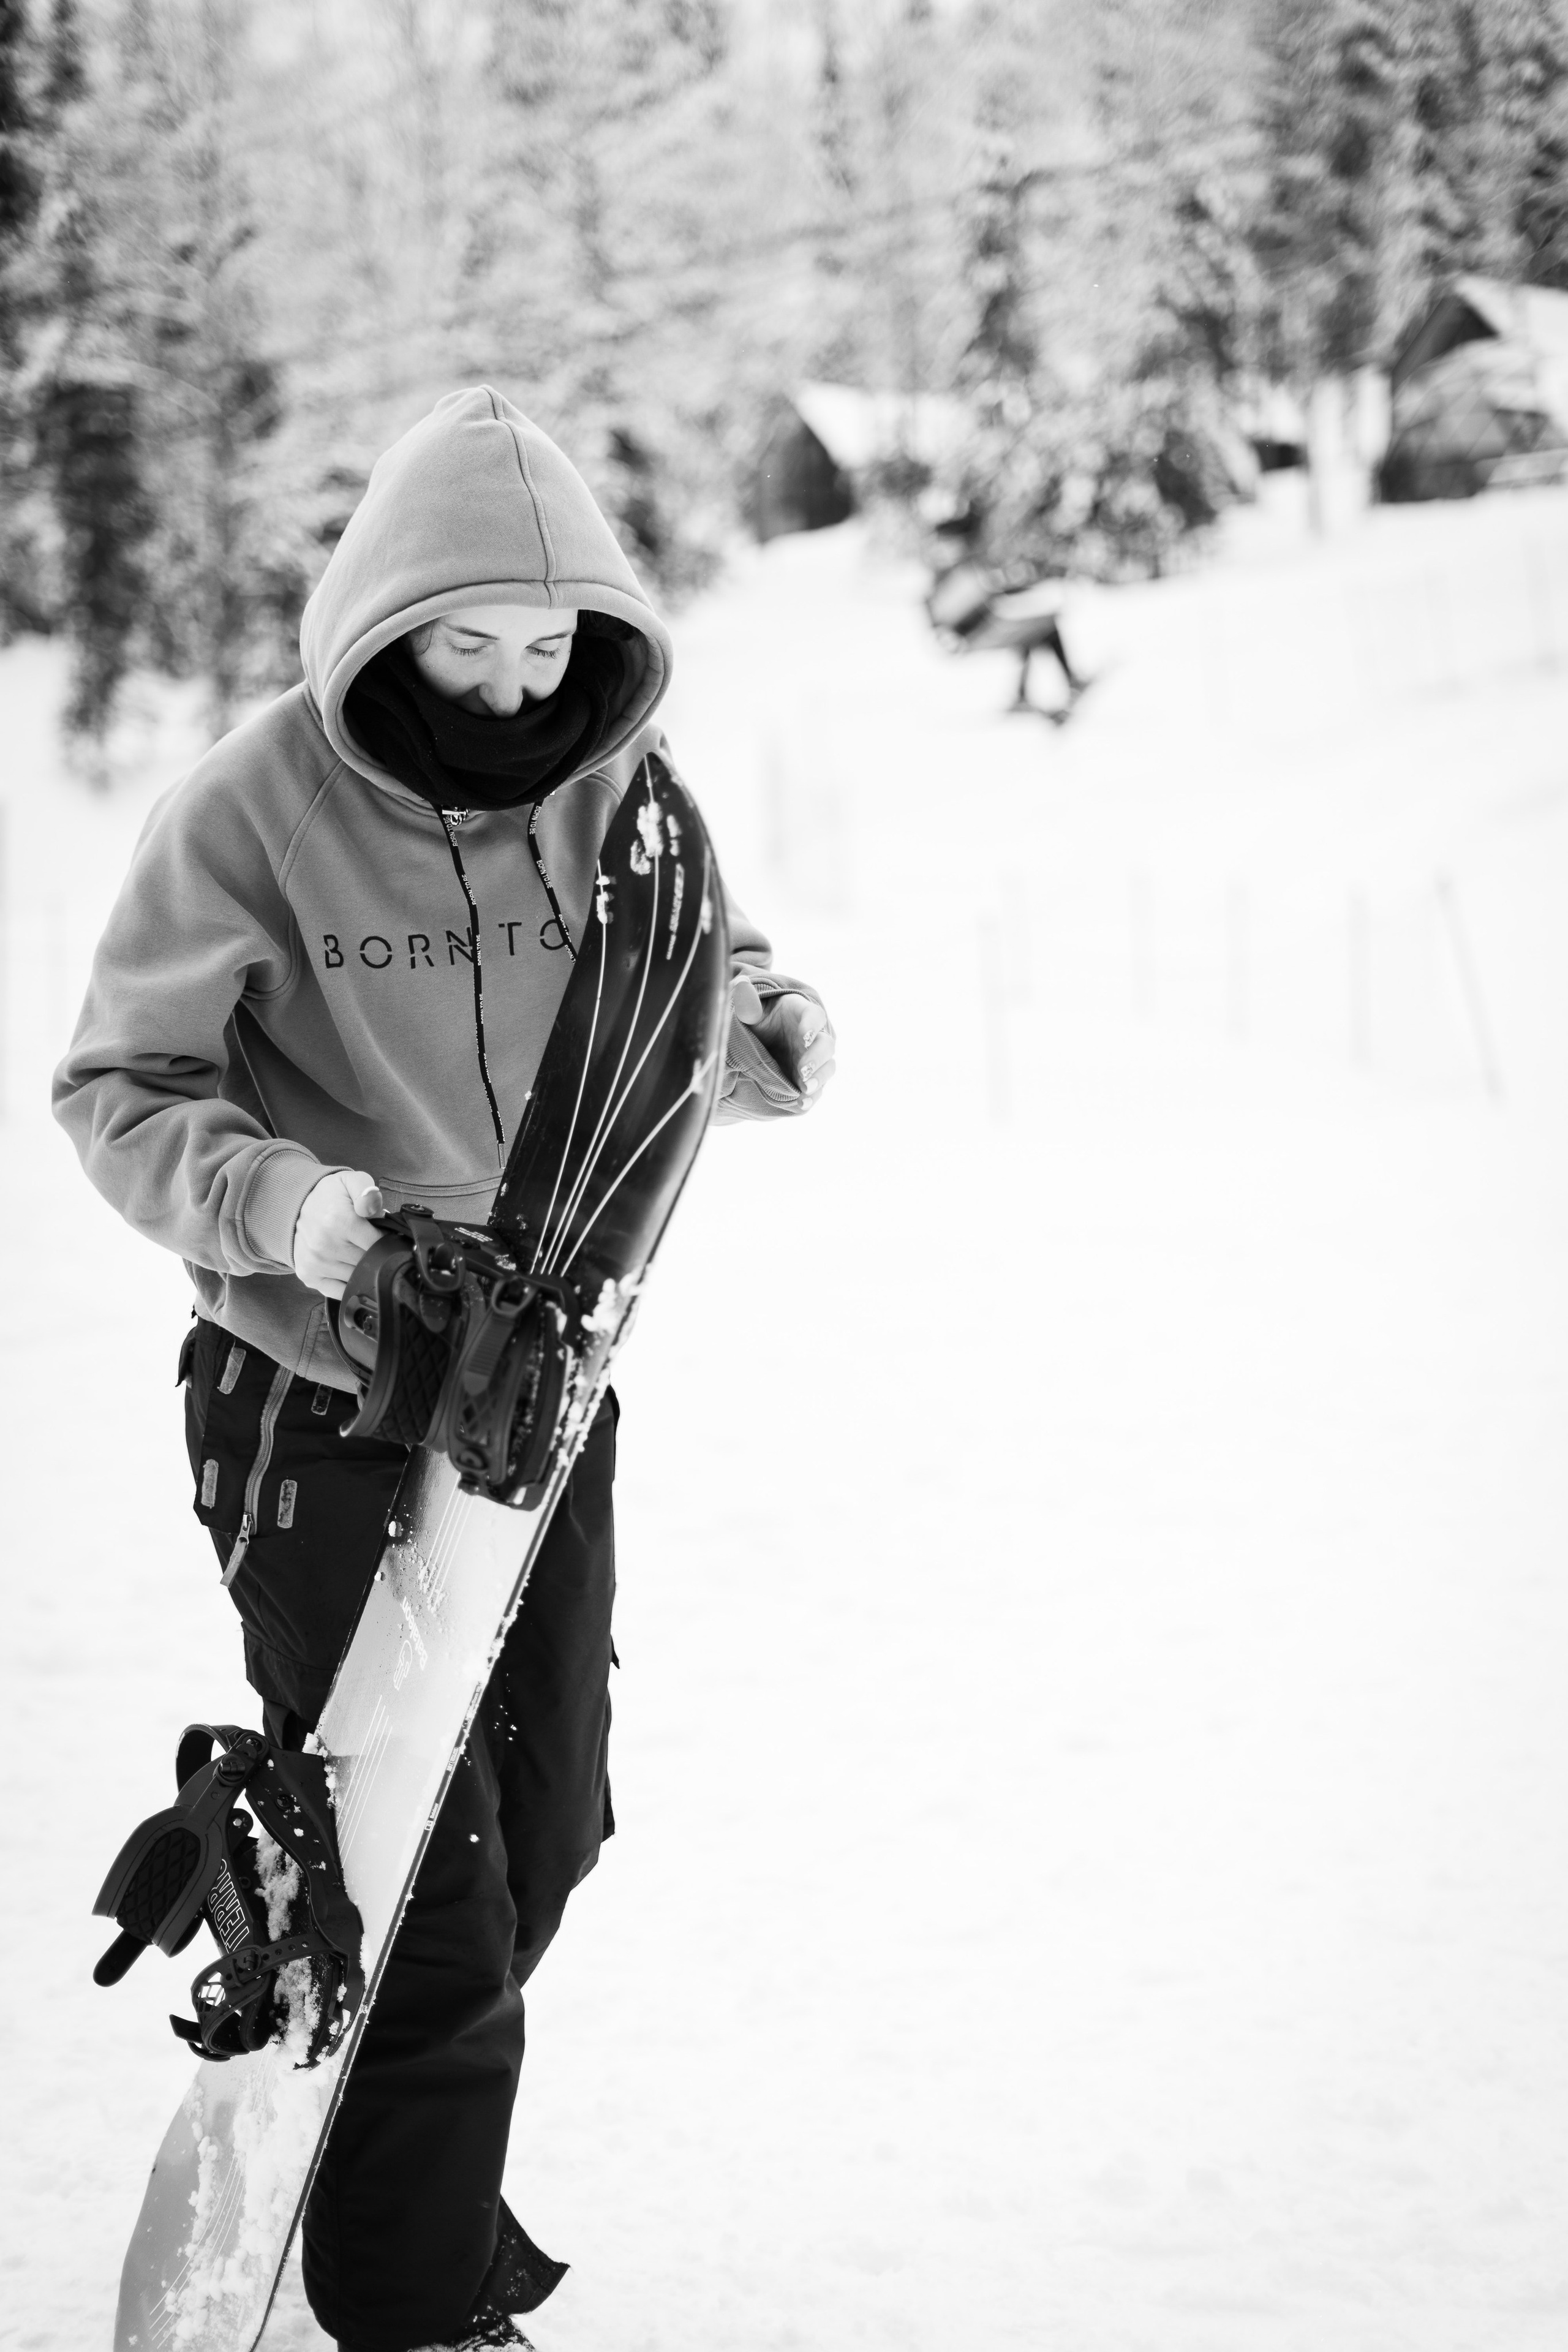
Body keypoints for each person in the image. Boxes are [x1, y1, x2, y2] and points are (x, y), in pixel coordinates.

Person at [53, 385, 836, 2352]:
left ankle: (327, 2001)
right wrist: (292, 1208)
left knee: (542, 1826)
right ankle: (421, 2307)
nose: (512, 688)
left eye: (551, 647)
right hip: (312, 1390)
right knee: (433, 1890)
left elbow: (689, 988)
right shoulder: (251, 807)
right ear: (386, 618)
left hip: (536, 1386)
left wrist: (768, 1031)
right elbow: (117, 1089)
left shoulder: (623, 793)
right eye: (470, 644)